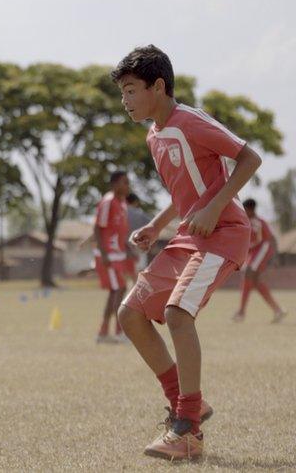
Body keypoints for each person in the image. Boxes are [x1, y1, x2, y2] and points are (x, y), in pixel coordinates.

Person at [112, 45, 261, 461]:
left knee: (178, 314)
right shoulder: (154, 134)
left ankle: (188, 429)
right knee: (131, 314)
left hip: (224, 233)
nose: (125, 101)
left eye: (130, 91)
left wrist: (216, 208)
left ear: (158, 86)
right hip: (187, 236)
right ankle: (187, 402)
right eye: (122, 94)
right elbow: (185, 193)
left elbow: (249, 158)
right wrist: (157, 226)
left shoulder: (189, 121)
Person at [93, 171, 133, 343]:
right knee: (119, 289)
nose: (127, 186)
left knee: (118, 290)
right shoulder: (107, 202)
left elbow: (121, 231)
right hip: (108, 255)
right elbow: (97, 228)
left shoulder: (123, 203)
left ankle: (103, 332)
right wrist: (104, 255)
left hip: (119, 254)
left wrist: (128, 248)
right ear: (115, 184)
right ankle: (118, 332)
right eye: (124, 182)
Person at [233, 198, 287, 323]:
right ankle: (278, 310)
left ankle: (241, 312)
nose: (244, 211)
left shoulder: (258, 222)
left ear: (250, 209)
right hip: (254, 253)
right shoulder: (250, 221)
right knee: (253, 281)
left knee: (248, 274)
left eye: (245, 209)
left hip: (262, 250)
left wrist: (275, 257)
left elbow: (270, 239)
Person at [126, 193, 152, 270]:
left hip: (124, 247)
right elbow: (151, 223)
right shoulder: (140, 213)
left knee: (129, 274)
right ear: (135, 202)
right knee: (140, 270)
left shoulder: (121, 213)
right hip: (138, 245)